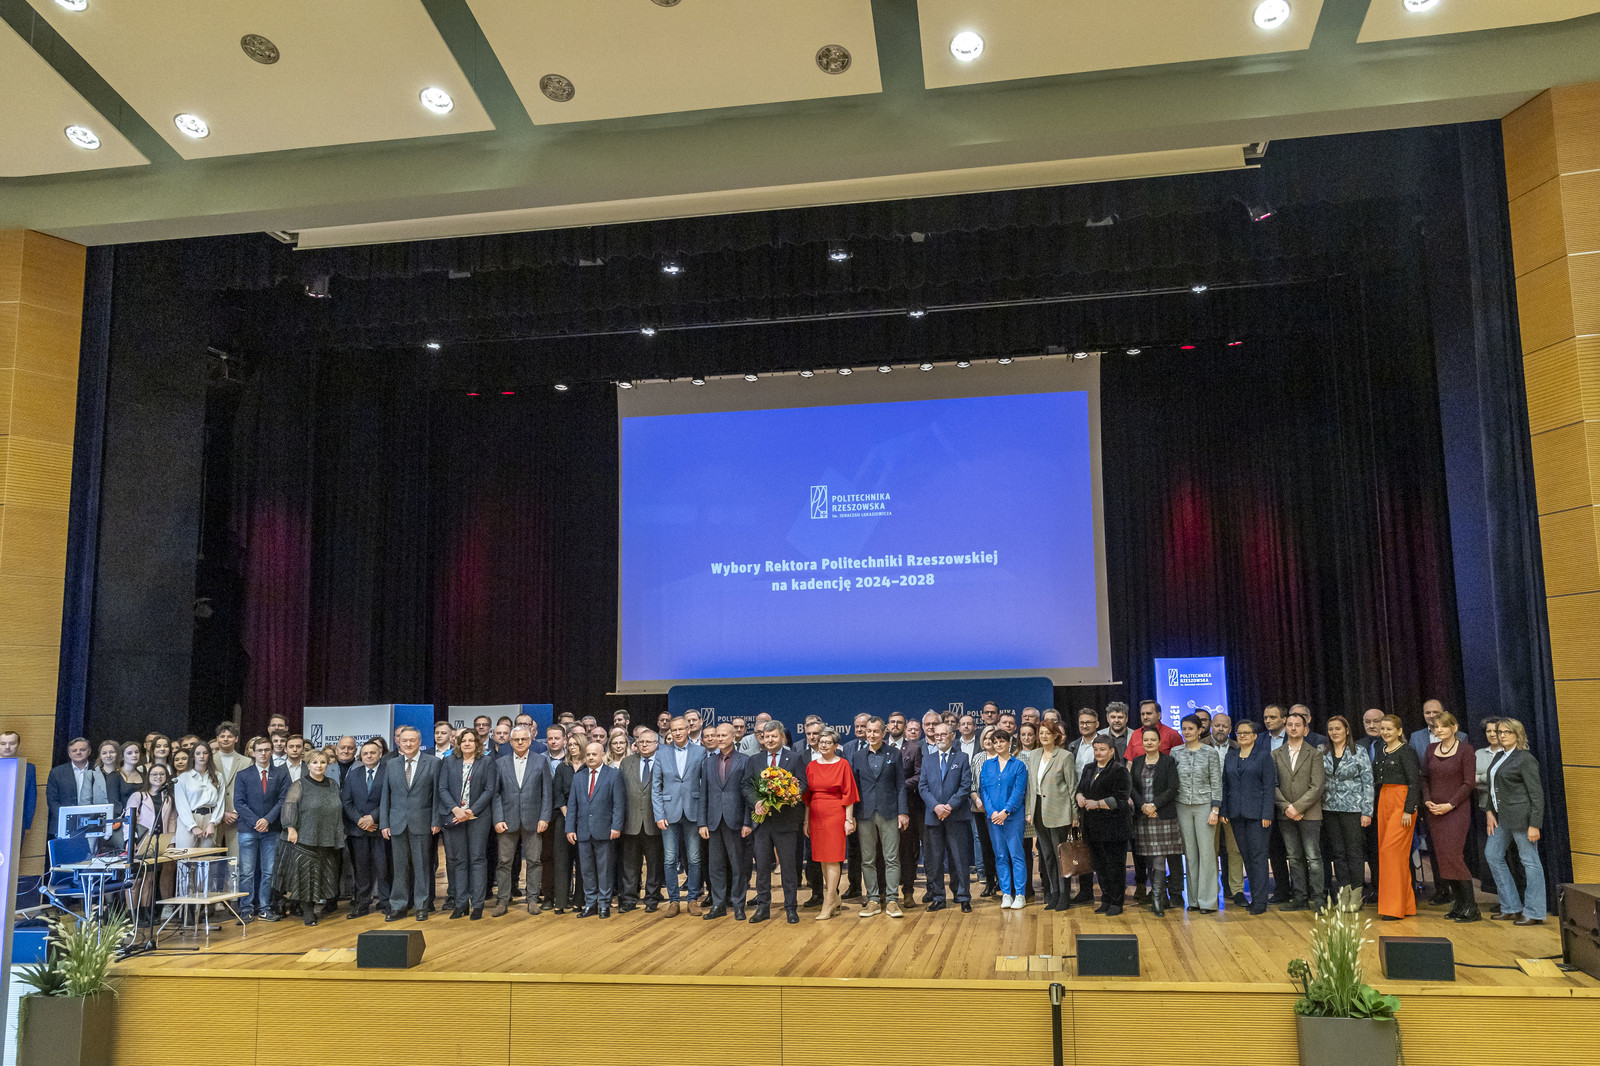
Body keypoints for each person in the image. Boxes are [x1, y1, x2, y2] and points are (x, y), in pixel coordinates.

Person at [1485, 718, 1547, 926]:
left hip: (1522, 818)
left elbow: (1536, 795)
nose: (1502, 735)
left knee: (1530, 861)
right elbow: (1493, 788)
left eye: (1507, 732)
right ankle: (1511, 907)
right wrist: (1489, 811)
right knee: (1492, 855)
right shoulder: (1499, 755)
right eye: (1499, 732)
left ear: (1518, 734)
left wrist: (1534, 824)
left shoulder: (1525, 758)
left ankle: (1534, 911)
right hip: (1501, 817)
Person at [846, 715, 907, 918]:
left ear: (883, 732)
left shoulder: (894, 753)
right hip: (864, 813)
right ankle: (872, 899)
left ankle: (892, 900)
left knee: (892, 858)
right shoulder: (857, 756)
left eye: (875, 731)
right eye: (869, 731)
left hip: (889, 812)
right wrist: (851, 816)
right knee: (867, 859)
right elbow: (854, 788)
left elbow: (900, 785)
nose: (871, 735)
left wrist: (903, 812)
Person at [1421, 711, 1479, 922]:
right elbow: (1424, 778)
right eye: (1436, 727)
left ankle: (1471, 907)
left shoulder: (1466, 750)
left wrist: (1450, 804)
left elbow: (1469, 783)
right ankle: (1459, 905)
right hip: (1435, 811)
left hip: (1456, 811)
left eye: (1443, 726)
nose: (1439, 730)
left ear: (1454, 727)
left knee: (1454, 856)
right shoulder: (1430, 749)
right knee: (1443, 858)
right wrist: (1427, 800)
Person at [379, 726, 440, 922]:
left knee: (422, 866)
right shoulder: (391, 764)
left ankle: (422, 905)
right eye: (404, 740)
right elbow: (385, 796)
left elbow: (437, 795)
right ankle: (398, 906)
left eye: (412, 740)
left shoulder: (433, 762)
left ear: (419, 742)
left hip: (422, 822)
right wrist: (384, 823)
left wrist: (436, 820)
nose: (408, 744)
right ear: (398, 742)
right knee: (399, 868)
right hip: (397, 823)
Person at [276, 750, 343, 925]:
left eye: (322, 762)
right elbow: (289, 806)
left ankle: (313, 906)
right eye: (315, 762)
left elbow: (338, 809)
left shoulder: (333, 784)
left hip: (327, 837)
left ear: (327, 765)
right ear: (308, 765)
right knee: (306, 876)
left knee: (323, 875)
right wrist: (290, 828)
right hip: (305, 838)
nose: (319, 766)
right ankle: (308, 912)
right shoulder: (299, 785)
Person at [491, 725, 551, 917]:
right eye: (516, 739)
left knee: (534, 861)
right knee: (504, 862)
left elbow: (547, 793)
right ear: (510, 742)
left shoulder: (541, 761)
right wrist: (498, 818)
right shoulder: (500, 763)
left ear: (530, 740)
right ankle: (502, 900)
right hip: (507, 821)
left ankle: (532, 899)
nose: (520, 742)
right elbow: (496, 794)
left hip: (533, 820)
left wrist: (544, 817)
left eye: (523, 739)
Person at [438, 730, 497, 920]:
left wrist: (471, 811)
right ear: (459, 743)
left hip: (478, 817)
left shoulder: (487, 762)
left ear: (477, 743)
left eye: (472, 740)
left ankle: (477, 904)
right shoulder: (449, 761)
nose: (468, 744)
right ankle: (461, 904)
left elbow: (489, 790)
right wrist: (456, 809)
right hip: (456, 816)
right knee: (459, 861)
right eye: (464, 741)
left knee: (477, 859)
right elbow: (442, 788)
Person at [1272, 710, 1327, 912]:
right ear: (1285, 728)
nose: (1293, 728)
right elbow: (1272, 785)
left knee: (1313, 857)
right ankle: (1299, 897)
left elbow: (1317, 786)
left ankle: (1318, 898)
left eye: (1297, 725)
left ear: (1305, 729)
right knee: (1294, 857)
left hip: (1309, 814)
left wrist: (1298, 807)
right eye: (1290, 725)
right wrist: (1287, 807)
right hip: (1285, 814)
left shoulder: (1315, 754)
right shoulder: (1275, 754)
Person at [652, 715, 706, 917]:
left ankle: (692, 899)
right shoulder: (661, 753)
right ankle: (674, 901)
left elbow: (705, 785)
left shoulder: (700, 752)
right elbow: (656, 787)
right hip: (668, 813)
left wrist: (703, 815)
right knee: (669, 859)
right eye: (673, 730)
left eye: (681, 729)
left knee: (694, 858)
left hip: (693, 811)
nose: (677, 733)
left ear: (688, 729)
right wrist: (659, 814)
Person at [802, 729, 858, 920]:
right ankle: (835, 898)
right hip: (816, 815)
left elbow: (849, 794)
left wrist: (848, 820)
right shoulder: (811, 766)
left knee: (833, 858)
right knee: (822, 859)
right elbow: (807, 797)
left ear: (835, 746)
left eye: (827, 742)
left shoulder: (843, 764)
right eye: (821, 742)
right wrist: (806, 821)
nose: (823, 745)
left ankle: (829, 900)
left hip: (835, 814)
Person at [697, 724, 752, 919]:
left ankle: (738, 905)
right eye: (717, 735)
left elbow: (748, 795)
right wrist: (702, 822)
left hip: (736, 821)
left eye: (723, 735)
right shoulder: (708, 762)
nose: (719, 738)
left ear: (733, 736)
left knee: (738, 866)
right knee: (715, 866)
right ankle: (718, 904)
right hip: (713, 822)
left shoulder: (745, 760)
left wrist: (747, 822)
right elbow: (703, 794)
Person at [1222, 721, 1276, 915]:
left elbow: (1269, 787)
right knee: (1246, 856)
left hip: (1258, 815)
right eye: (1239, 733)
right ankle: (1253, 896)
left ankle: (1260, 901)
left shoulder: (1263, 756)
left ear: (1255, 736)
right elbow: (1225, 785)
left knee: (1258, 857)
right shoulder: (1231, 755)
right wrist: (1224, 811)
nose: (1242, 735)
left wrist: (1267, 813)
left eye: (1246, 732)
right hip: (1236, 814)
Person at [1371, 714, 1422, 921]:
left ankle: (1393, 908)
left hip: (1402, 802)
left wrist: (1409, 809)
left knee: (1391, 853)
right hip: (1385, 799)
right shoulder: (1380, 749)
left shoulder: (1407, 751)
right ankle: (1405, 905)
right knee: (1392, 856)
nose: (1385, 732)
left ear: (1399, 731)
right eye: (1382, 729)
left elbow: (1414, 782)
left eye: (1389, 729)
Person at [567, 741, 625, 918]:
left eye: (594, 754)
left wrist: (616, 826)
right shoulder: (578, 777)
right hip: (583, 830)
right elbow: (572, 805)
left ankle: (604, 904)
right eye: (588, 754)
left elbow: (618, 804)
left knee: (604, 869)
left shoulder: (613, 775)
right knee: (586, 870)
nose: (591, 757)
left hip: (605, 830)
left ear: (602, 755)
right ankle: (590, 903)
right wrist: (570, 828)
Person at [1129, 726, 1182, 917]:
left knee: (1159, 858)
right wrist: (1143, 806)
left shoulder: (1168, 761)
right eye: (1146, 740)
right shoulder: (1137, 761)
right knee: (1150, 859)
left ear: (1160, 742)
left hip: (1162, 815)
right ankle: (1161, 896)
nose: (1149, 743)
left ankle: (1157, 899)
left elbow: (1173, 788)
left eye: (1153, 739)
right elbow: (1132, 788)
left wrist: (1154, 805)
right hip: (1143, 817)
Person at [234, 737, 288, 923]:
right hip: (248, 829)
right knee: (247, 872)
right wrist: (257, 821)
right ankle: (246, 909)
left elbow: (283, 800)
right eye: (260, 750)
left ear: (271, 751)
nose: (263, 753)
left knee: (269, 872)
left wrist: (267, 820)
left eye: (266, 750)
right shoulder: (243, 775)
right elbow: (239, 803)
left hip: (271, 829)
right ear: (253, 752)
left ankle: (265, 908)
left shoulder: (281, 774)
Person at [1320, 715, 1374, 904]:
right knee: (1338, 853)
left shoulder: (1359, 751)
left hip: (1354, 809)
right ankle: (1344, 892)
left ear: (1347, 730)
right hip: (1329, 809)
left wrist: (1367, 811)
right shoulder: (1322, 751)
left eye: (1338, 728)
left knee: (1354, 852)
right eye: (1331, 729)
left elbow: (1368, 782)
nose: (1334, 732)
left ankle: (1357, 894)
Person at [1075, 736, 1131, 915]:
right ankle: (1106, 899)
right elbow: (1080, 789)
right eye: (1096, 749)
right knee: (1099, 866)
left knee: (1114, 866)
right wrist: (1079, 797)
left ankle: (1116, 902)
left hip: (1113, 828)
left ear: (1112, 751)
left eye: (1102, 749)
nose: (1098, 753)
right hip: (1092, 827)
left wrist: (1097, 804)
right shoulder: (1088, 768)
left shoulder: (1119, 770)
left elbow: (1121, 799)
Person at [1172, 714, 1222, 913]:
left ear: (1200, 730)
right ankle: (1193, 900)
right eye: (1184, 729)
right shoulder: (1175, 752)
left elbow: (1216, 782)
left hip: (1204, 806)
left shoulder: (1210, 752)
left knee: (1207, 853)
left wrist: (1215, 809)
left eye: (1190, 729)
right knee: (1190, 854)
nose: (1186, 732)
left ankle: (1208, 901)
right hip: (1182, 805)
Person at [1027, 718, 1077, 911]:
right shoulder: (1034, 755)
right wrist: (1029, 810)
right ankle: (1054, 892)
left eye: (1048, 733)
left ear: (1056, 735)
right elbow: (1031, 786)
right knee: (1046, 855)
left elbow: (1072, 787)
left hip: (1059, 811)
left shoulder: (1065, 756)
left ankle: (1065, 894)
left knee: (1060, 856)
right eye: (1041, 733)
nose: (1044, 736)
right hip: (1039, 810)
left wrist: (1075, 815)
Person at [976, 728, 1027, 910]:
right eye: (995, 742)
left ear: (1009, 743)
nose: (998, 744)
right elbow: (984, 791)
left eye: (1002, 741)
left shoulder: (1018, 765)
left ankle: (1019, 894)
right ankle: (1006, 893)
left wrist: (1006, 811)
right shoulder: (987, 766)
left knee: (1016, 855)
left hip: (1013, 817)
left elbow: (1019, 792)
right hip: (993, 818)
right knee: (1000, 856)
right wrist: (992, 812)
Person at [1474, 718, 1523, 902]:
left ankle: (1521, 899)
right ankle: (1506, 900)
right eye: (1489, 731)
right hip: (1487, 809)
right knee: (1494, 856)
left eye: (1496, 731)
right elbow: (1472, 779)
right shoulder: (1480, 753)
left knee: (1517, 857)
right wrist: (1488, 779)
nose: (1493, 734)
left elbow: (1503, 781)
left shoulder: (1512, 754)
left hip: (1512, 811)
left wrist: (1484, 778)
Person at [341, 738, 389, 919]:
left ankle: (386, 902)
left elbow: (390, 798)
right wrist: (360, 820)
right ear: (360, 756)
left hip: (380, 828)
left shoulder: (388, 772)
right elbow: (346, 802)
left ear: (380, 754)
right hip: (358, 831)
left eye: (372, 753)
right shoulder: (353, 775)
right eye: (365, 753)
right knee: (361, 870)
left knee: (384, 868)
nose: (369, 756)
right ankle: (362, 904)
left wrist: (372, 818)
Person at [617, 728, 663, 913]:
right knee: (629, 865)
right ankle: (629, 899)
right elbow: (620, 793)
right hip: (631, 822)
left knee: (654, 864)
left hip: (654, 822)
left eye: (648, 742)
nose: (644, 745)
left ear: (656, 744)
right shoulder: (627, 762)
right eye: (641, 741)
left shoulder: (662, 761)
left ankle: (652, 899)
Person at [124, 763, 178, 909]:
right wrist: (130, 840)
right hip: (141, 841)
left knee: (149, 878)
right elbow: (129, 820)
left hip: (159, 842)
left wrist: (171, 842)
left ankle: (146, 910)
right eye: (154, 774)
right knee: (136, 879)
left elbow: (172, 821)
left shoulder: (168, 798)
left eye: (162, 774)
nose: (158, 777)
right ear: (148, 776)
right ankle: (132, 913)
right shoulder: (138, 796)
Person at [46, 737, 107, 837]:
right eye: (74, 750)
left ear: (89, 751)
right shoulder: (56, 772)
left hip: (93, 823)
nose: (78, 753)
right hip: (64, 824)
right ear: (69, 754)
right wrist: (66, 817)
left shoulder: (99, 770)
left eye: (82, 750)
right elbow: (52, 801)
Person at [173, 741, 225, 849]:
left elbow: (220, 802)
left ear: (209, 755)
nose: (202, 756)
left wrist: (212, 823)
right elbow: (181, 805)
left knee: (206, 857)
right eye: (198, 753)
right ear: (193, 756)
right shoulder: (183, 778)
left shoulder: (217, 776)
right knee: (185, 856)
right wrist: (193, 826)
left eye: (205, 753)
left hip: (210, 819)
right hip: (189, 819)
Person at [970, 726, 999, 898]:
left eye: (992, 737)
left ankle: (1003, 881)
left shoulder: (1005, 757)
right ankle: (989, 882)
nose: (988, 741)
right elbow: (972, 784)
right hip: (980, 810)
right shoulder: (977, 758)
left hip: (1000, 812)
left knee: (1000, 847)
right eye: (986, 737)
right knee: (986, 847)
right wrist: (977, 799)